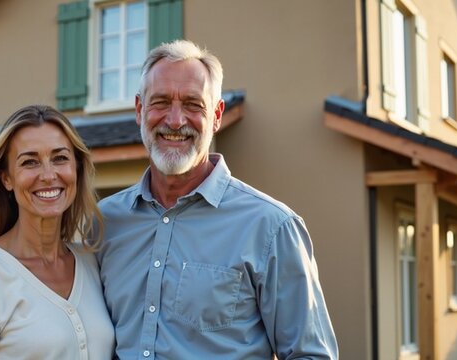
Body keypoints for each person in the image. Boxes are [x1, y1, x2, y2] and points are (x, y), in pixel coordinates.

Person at [96, 40, 338, 359]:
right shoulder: (104, 223)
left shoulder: (272, 228)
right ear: (140, 110)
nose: (175, 120)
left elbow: (311, 354)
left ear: (217, 115)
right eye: (161, 102)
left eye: (194, 104)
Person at [0, 105, 115, 359]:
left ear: (76, 168)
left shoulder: (91, 263)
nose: (48, 175)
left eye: (60, 158)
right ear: (7, 179)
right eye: (30, 162)